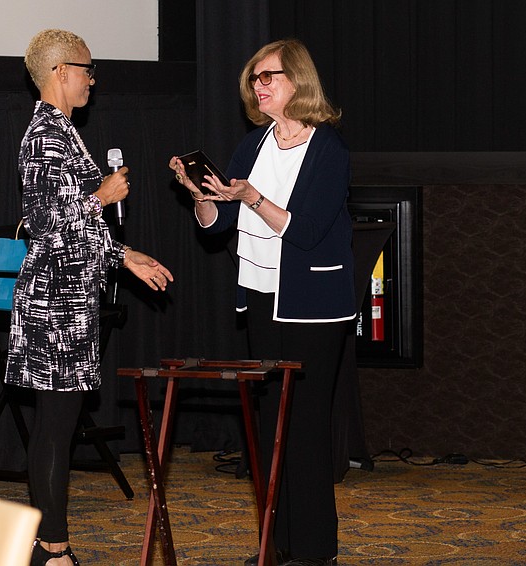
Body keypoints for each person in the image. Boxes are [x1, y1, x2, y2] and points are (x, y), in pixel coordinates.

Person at [170, 38, 353, 566]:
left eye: (269, 76)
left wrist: (253, 197)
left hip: (314, 304)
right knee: (272, 425)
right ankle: (277, 547)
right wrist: (200, 195)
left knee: (306, 427)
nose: (259, 86)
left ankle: (315, 552)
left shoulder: (328, 149)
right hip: (261, 298)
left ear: (299, 80)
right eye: (254, 79)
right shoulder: (252, 144)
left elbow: (308, 231)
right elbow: (217, 227)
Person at [7, 29, 174, 566]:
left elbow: (76, 230)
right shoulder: (44, 136)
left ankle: (49, 546)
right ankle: (52, 550)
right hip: (53, 304)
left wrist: (125, 257)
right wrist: (100, 196)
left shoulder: (65, 132)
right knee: (55, 427)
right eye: (86, 69)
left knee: (59, 423)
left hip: (71, 300)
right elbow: (43, 226)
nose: (92, 79)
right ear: (59, 72)